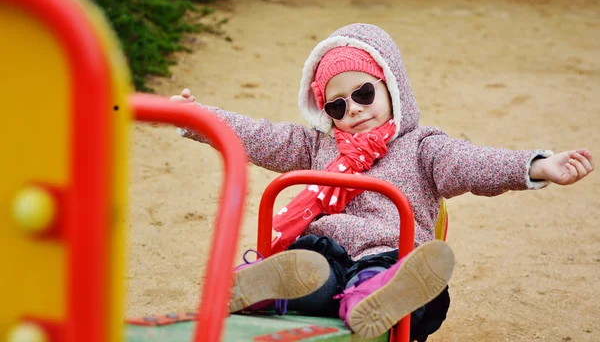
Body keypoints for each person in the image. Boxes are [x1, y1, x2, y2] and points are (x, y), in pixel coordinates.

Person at [170, 23, 594, 340]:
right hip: (328, 254)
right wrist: (198, 117)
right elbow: (258, 136)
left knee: (398, 275)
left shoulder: (423, 147)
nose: (352, 109)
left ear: (392, 86)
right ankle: (269, 288)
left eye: (364, 93)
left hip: (388, 252)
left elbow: (474, 163)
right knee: (311, 265)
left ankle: (374, 300)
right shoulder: (319, 146)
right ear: (326, 112)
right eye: (336, 105)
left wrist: (538, 165)